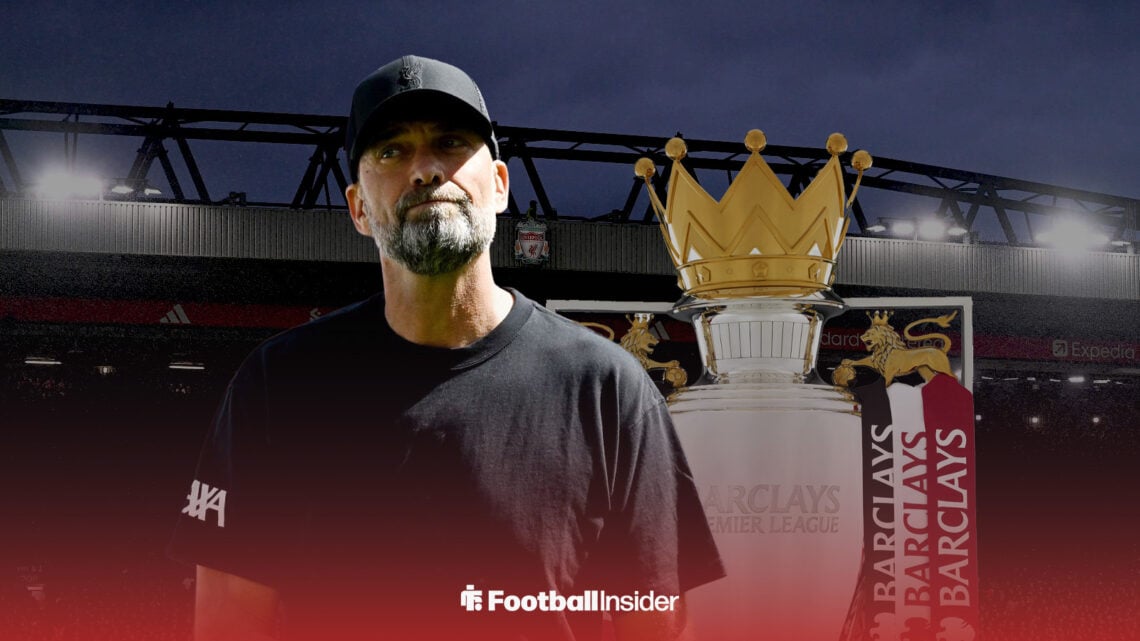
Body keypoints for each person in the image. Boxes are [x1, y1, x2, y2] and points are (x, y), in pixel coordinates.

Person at [169, 55, 723, 641]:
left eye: (451, 143)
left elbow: (659, 622)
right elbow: (230, 619)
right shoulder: (279, 383)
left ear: (502, 186)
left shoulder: (607, 386)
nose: (426, 169)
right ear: (358, 208)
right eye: (391, 151)